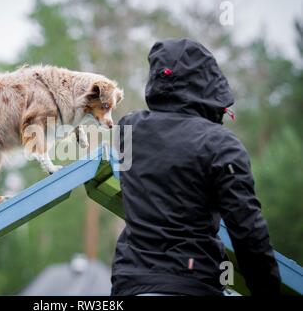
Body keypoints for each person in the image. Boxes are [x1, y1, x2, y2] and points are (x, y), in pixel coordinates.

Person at [111, 38, 281, 296]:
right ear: (209, 82)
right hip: (190, 284)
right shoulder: (221, 144)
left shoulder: (128, 130)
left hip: (130, 284)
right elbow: (248, 232)